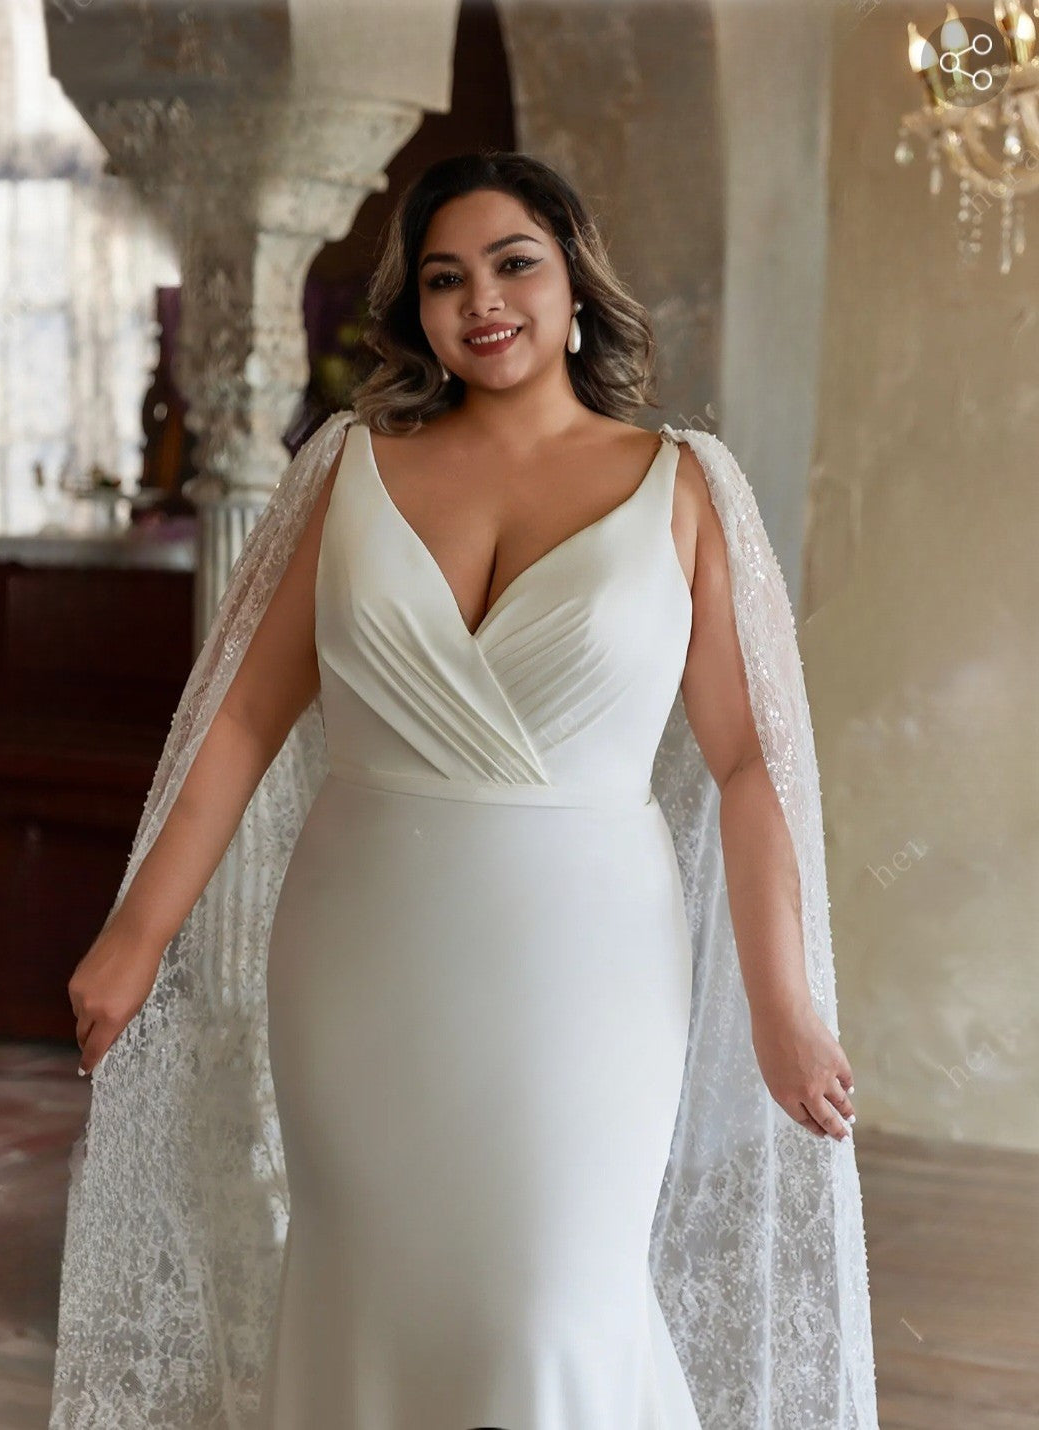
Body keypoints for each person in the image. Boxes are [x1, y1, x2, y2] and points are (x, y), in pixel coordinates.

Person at [52, 151, 878, 1428]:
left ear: (576, 284)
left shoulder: (684, 484)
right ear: (417, 309)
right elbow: (243, 720)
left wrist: (781, 1004)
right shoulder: (349, 468)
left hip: (591, 963)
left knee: (552, 1301)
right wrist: (135, 934)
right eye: (445, 279)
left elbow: (750, 758)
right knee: (370, 1294)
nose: (481, 300)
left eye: (513, 265)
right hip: (359, 957)